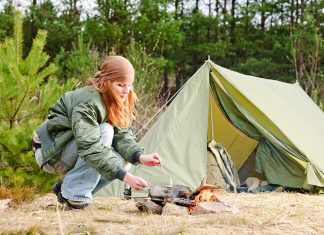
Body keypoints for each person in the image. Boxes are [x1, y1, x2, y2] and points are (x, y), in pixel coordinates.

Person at [33, 56, 161, 209]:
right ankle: (75, 196)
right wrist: (126, 178)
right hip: (50, 154)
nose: (127, 90)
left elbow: (122, 135)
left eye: (129, 85)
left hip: (70, 149)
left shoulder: (113, 98)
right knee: (105, 131)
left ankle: (66, 188)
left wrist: (140, 157)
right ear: (107, 82)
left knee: (124, 161)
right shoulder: (88, 102)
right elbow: (90, 147)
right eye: (121, 85)